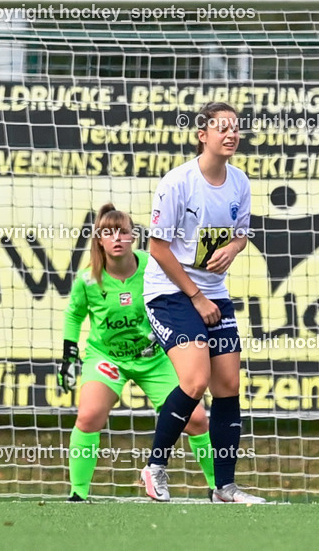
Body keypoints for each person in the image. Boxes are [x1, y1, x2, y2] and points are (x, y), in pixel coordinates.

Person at [139, 102, 263, 503]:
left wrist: (233, 248)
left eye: (236, 129)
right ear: (202, 136)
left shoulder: (239, 182)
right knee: (195, 381)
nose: (231, 135)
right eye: (222, 128)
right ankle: (155, 466)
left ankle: (224, 487)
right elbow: (157, 248)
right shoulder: (177, 183)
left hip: (214, 294)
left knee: (227, 386)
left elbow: (241, 234)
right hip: (170, 294)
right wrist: (195, 295)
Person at [58, 203, 215, 502]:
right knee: (89, 415)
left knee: (195, 418)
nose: (116, 239)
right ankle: (78, 494)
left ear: (134, 237)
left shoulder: (153, 267)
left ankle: (217, 486)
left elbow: (179, 296)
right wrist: (69, 353)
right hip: (107, 358)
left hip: (153, 357)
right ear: (99, 240)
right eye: (108, 233)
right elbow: (73, 315)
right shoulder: (88, 279)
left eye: (123, 233)